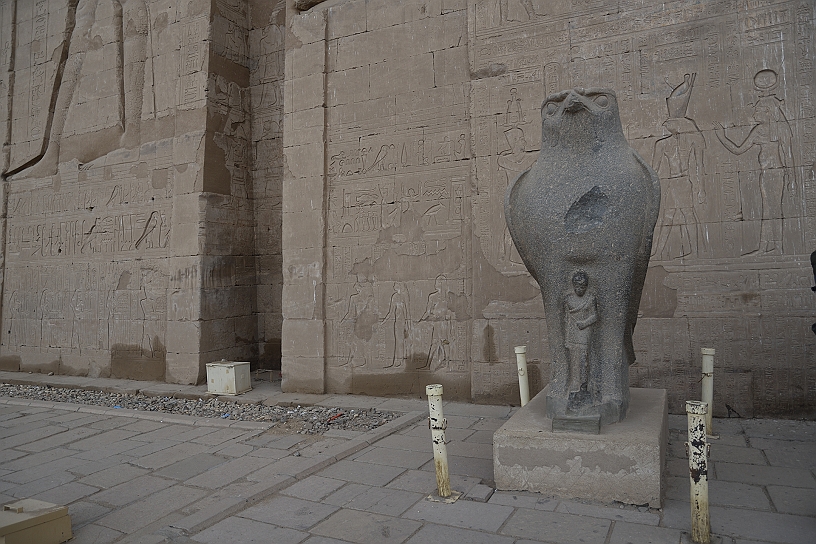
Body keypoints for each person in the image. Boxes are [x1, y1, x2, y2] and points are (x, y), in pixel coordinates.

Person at [565, 271, 597, 394]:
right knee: (574, 358)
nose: (579, 290)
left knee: (584, 358)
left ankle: (584, 384)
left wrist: (584, 323)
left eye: (582, 287)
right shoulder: (568, 299)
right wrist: (567, 339)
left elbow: (595, 316)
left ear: (587, 287)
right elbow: (567, 320)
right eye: (577, 287)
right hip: (573, 332)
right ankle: (575, 382)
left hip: (584, 332)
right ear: (573, 286)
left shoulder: (590, 298)